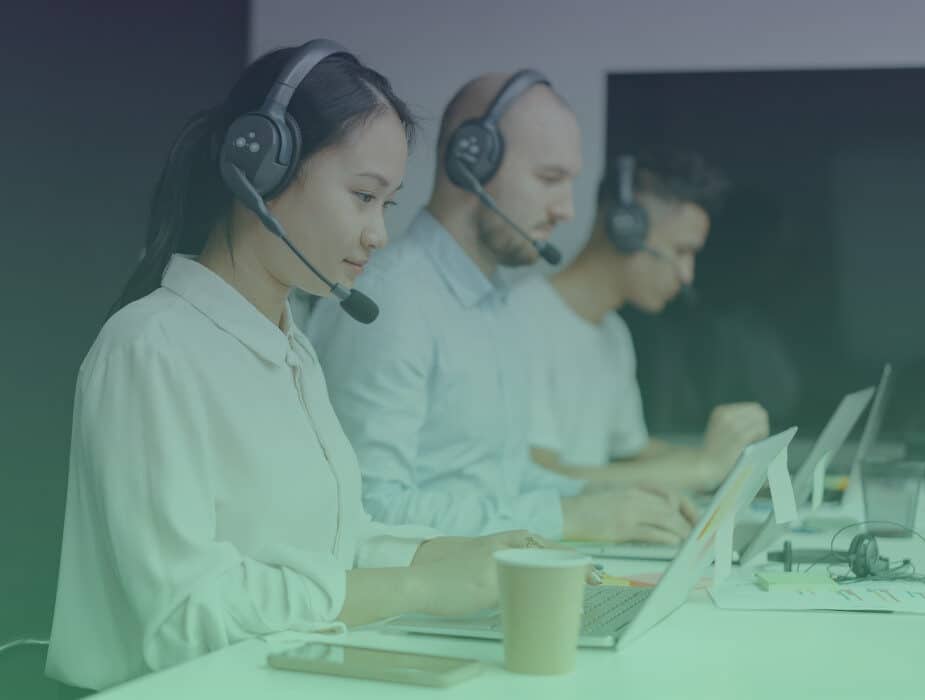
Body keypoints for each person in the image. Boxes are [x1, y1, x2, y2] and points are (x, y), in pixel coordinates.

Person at [45, 42, 546, 693]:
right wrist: (419, 587)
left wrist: (454, 553)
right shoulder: (151, 348)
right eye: (363, 196)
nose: (378, 233)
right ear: (261, 166)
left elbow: (330, 544)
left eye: (387, 205)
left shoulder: (291, 347)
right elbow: (182, 617)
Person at [307, 73, 697, 544]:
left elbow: (505, 480)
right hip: (425, 587)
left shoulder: (496, 305)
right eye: (549, 179)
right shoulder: (391, 302)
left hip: (486, 577)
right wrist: (567, 519)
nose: (566, 210)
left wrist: (613, 500)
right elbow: (369, 508)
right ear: (472, 160)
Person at [508, 149, 770, 491]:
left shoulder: (613, 333)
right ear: (625, 228)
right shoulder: (523, 318)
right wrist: (702, 469)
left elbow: (632, 453)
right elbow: (541, 480)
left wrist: (730, 460)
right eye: (681, 251)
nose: (687, 275)